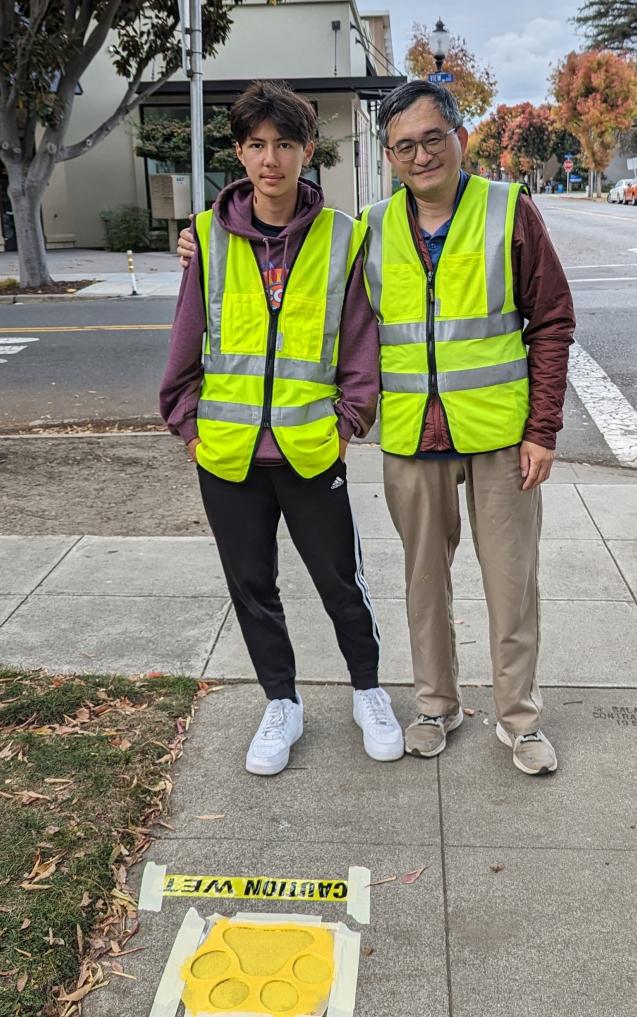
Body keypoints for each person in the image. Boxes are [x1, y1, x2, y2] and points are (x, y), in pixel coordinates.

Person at [160, 80, 402, 776]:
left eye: (285, 144)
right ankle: (281, 703)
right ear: (240, 152)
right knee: (251, 584)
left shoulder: (342, 237)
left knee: (340, 581)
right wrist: (188, 428)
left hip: (309, 449)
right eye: (258, 145)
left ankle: (367, 690)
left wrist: (348, 423)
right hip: (227, 454)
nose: (271, 159)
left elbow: (360, 342)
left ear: (307, 151)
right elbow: (185, 341)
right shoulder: (205, 237)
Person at [362, 81, 575, 775]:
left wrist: (542, 428)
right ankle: (436, 705)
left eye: (432, 137)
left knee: (512, 584)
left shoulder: (509, 210)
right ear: (388, 154)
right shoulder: (370, 228)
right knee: (424, 584)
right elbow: (288, 251)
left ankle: (519, 719)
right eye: (404, 145)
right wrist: (197, 243)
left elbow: (550, 320)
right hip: (410, 436)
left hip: (500, 436)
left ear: (460, 137)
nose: (421, 154)